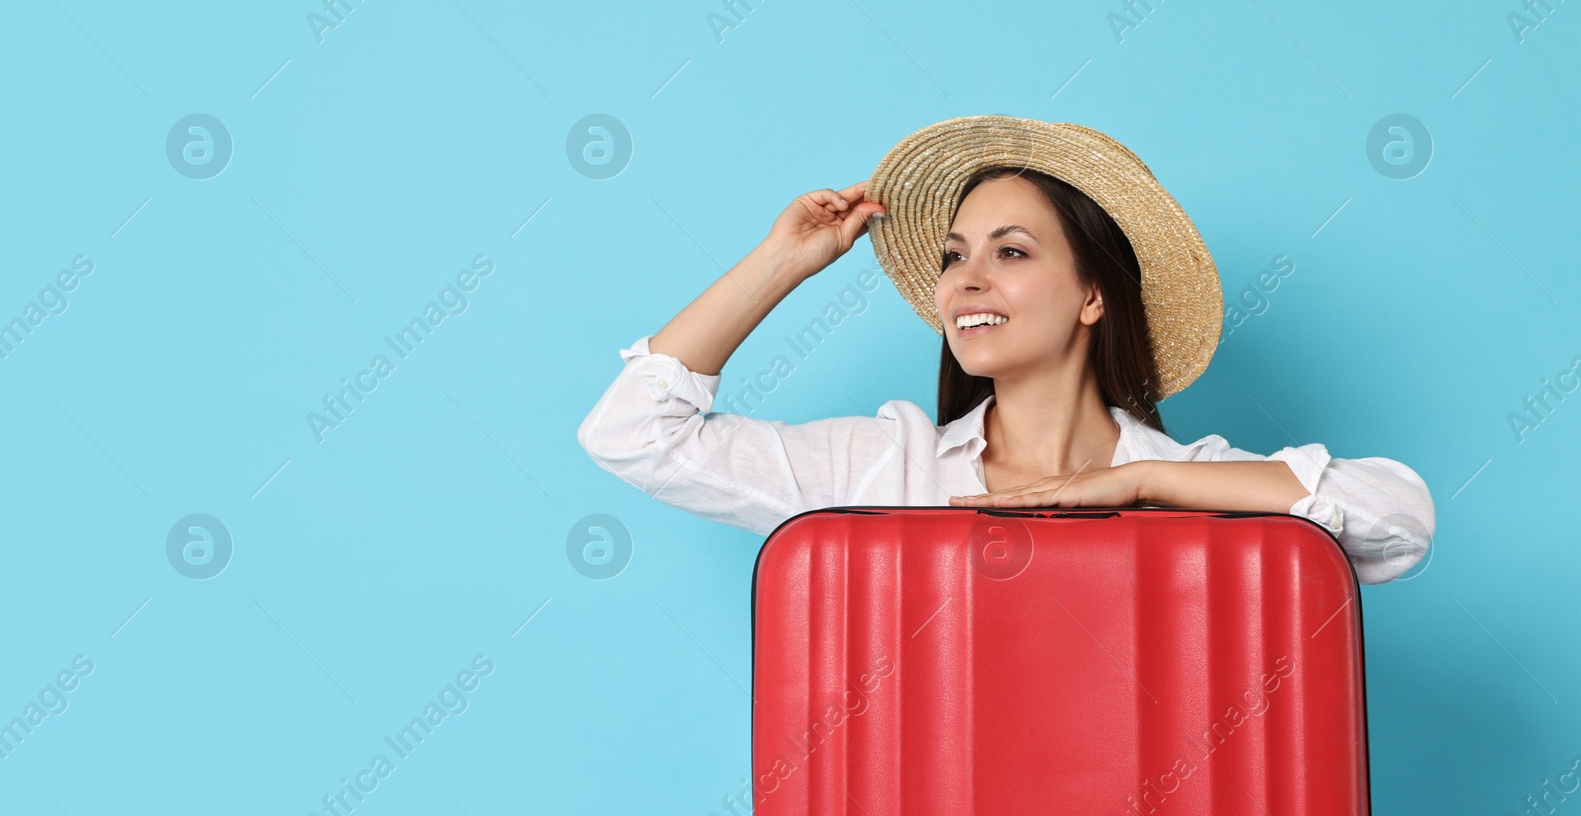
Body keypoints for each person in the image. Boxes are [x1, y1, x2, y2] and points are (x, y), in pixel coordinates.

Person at [577, 116, 1435, 585]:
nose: (965, 281)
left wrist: (1140, 483)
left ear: (1094, 294)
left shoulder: (1192, 481)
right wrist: (784, 260)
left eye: (1011, 251)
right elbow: (632, 432)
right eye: (955, 255)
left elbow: (1400, 518)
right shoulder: (884, 466)